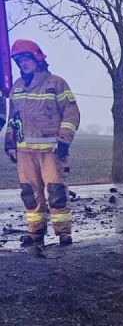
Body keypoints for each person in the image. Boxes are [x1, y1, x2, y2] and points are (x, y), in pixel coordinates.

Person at [4, 39, 80, 247]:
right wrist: (10, 143)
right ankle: (35, 232)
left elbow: (71, 113)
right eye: (19, 61)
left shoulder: (56, 83)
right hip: (24, 152)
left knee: (56, 191)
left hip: (51, 150)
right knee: (29, 192)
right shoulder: (18, 87)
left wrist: (64, 140)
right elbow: (14, 118)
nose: (23, 64)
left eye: (26, 59)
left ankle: (63, 233)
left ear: (37, 59)